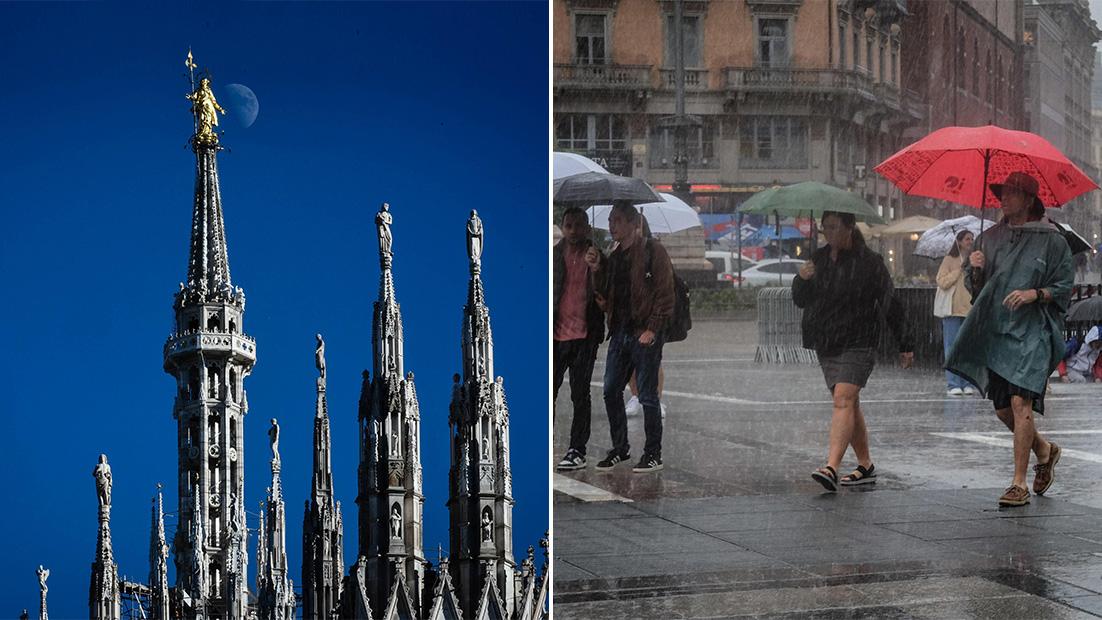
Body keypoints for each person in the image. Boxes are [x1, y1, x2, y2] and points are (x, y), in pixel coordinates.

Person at [947, 171, 1073, 507]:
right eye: (1002, 193)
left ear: (1029, 199)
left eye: (1012, 193)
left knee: (1021, 404)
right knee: (1004, 409)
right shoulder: (989, 238)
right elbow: (978, 291)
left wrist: (1035, 293)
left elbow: (1064, 287)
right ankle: (1045, 450)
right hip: (999, 333)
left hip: (1033, 333)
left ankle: (1018, 483)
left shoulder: (1053, 240)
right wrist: (972, 268)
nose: (1004, 199)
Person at [793, 211, 914, 492]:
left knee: (843, 399)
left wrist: (905, 342)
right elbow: (801, 300)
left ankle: (831, 466)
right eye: (825, 228)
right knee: (849, 403)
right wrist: (802, 279)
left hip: (859, 341)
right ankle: (865, 465)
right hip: (827, 341)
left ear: (849, 228)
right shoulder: (818, 260)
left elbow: (890, 303)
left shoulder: (870, 263)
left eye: (835, 227)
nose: (829, 233)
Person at [587, 201, 675, 473]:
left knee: (648, 395)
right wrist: (597, 267)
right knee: (611, 390)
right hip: (620, 332)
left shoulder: (653, 250)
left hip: (643, 332)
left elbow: (665, 293)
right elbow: (604, 293)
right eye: (611, 220)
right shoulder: (614, 256)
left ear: (633, 224)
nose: (611, 225)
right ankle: (620, 447)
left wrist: (653, 328)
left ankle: (653, 453)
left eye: (617, 220)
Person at [553, 207, 606, 470]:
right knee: (549, 393)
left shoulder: (595, 256)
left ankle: (577, 449)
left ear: (587, 228)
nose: (573, 231)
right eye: (569, 225)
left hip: (585, 336)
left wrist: (597, 268)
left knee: (580, 394)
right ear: (563, 228)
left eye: (578, 225)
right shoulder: (554, 255)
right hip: (556, 336)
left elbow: (606, 294)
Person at [935, 230, 976, 396]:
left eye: (972, 239)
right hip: (952, 309)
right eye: (967, 239)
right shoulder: (949, 259)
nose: (970, 242)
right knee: (951, 348)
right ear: (959, 241)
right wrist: (959, 269)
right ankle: (953, 383)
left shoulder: (974, 260)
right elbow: (942, 281)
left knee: (967, 348)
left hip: (969, 309)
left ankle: (966, 381)